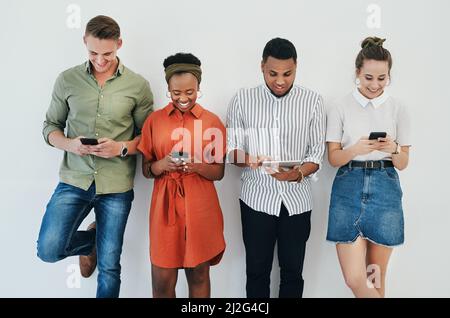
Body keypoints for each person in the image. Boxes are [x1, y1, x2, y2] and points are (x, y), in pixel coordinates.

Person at [37, 15, 154, 298]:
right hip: (74, 179)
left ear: (119, 45)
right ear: (84, 43)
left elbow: (149, 138)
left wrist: (121, 148)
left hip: (116, 186)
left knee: (110, 266)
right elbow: (50, 127)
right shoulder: (67, 80)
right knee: (49, 249)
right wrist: (70, 144)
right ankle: (92, 243)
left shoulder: (137, 86)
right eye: (93, 52)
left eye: (108, 53)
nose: (100, 60)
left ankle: (100, 247)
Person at [226, 38, 326, 298]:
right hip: (256, 199)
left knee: (292, 273)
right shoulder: (242, 99)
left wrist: (297, 173)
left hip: (297, 201)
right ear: (261, 67)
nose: (280, 81)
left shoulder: (313, 101)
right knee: (256, 272)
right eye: (273, 73)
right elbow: (230, 150)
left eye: (287, 73)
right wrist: (249, 159)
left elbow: (316, 155)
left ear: (296, 68)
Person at [326, 37, 411, 298]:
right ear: (357, 73)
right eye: (369, 77)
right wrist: (355, 150)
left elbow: (404, 163)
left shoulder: (398, 108)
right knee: (355, 278)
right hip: (347, 187)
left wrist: (393, 149)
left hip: (385, 187)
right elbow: (333, 158)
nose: (375, 85)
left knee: (375, 277)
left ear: (389, 76)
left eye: (381, 78)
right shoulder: (340, 106)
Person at [138, 53, 226, 298]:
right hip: (165, 207)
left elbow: (219, 172)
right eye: (176, 93)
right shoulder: (154, 121)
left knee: (198, 274)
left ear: (199, 86)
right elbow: (146, 169)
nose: (184, 98)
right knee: (162, 281)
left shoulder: (212, 122)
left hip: (200, 206)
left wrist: (197, 166)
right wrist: (162, 164)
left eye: (190, 91)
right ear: (168, 88)